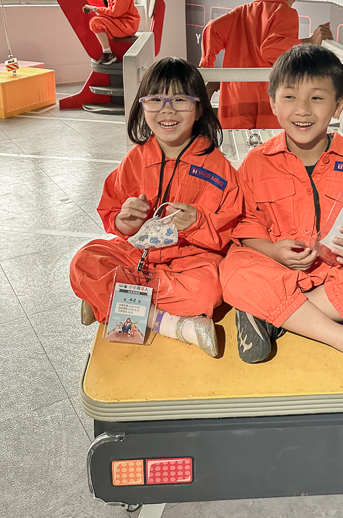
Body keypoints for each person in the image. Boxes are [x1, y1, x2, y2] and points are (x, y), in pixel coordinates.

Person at [220, 44, 343, 392]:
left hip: (334, 275)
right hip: (275, 268)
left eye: (318, 98)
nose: (303, 110)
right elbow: (244, 224)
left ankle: (269, 317)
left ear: (338, 105)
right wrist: (273, 251)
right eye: (290, 97)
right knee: (233, 270)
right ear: (273, 103)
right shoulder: (255, 163)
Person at [70, 57, 242, 357]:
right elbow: (113, 215)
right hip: (139, 255)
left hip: (191, 259)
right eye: (156, 100)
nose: (167, 110)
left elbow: (229, 229)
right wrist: (125, 221)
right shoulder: (135, 159)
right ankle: (172, 324)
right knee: (84, 261)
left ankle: (110, 298)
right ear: (143, 105)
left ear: (199, 108)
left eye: (179, 100)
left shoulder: (218, 167)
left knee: (209, 290)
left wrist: (198, 223)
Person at [199, 0, 333, 129]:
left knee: (237, 149)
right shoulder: (287, 13)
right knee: (267, 150)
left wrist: (208, 68)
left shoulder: (241, 12)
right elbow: (270, 49)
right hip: (267, 103)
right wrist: (310, 42)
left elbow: (212, 29)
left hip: (235, 100)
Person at [82, 0, 140, 67]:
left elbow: (115, 12)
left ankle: (108, 53)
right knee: (96, 21)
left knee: (95, 22)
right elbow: (104, 2)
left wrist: (95, 9)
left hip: (127, 24)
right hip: (122, 22)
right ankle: (108, 52)